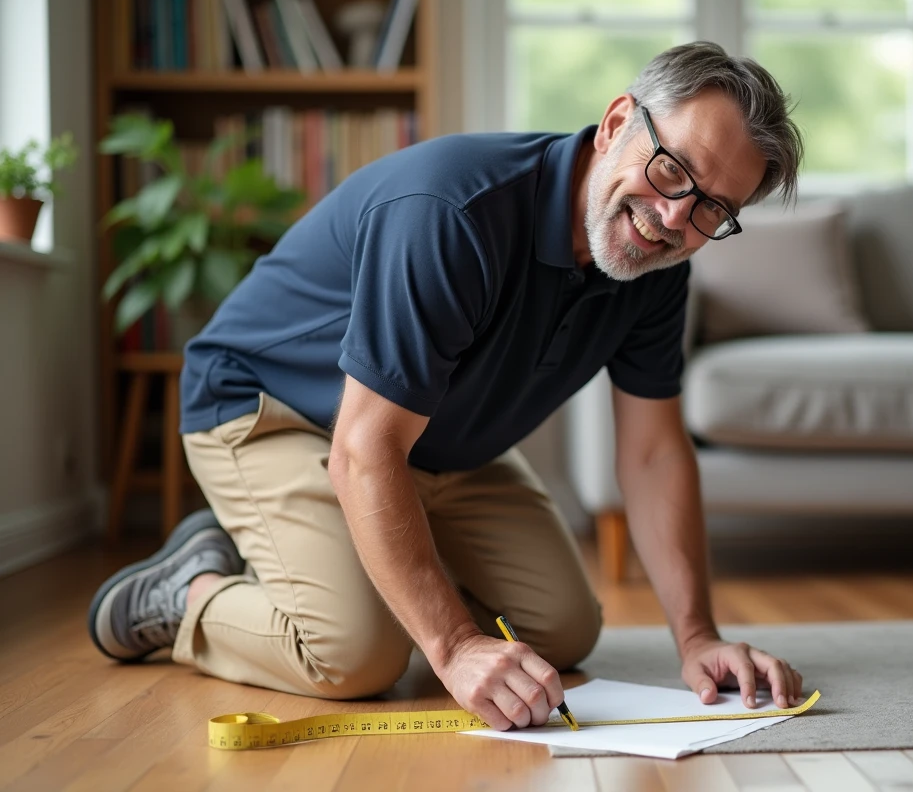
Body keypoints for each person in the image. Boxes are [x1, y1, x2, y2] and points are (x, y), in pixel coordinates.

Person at [89, 41, 806, 731]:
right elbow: (364, 449)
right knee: (353, 656)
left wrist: (697, 637)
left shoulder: (659, 272)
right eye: (671, 169)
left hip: (434, 441)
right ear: (618, 122)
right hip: (274, 409)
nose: (676, 216)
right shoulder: (453, 212)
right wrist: (455, 648)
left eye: (713, 207)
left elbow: (652, 453)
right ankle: (187, 593)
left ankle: (347, 563)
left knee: (561, 629)